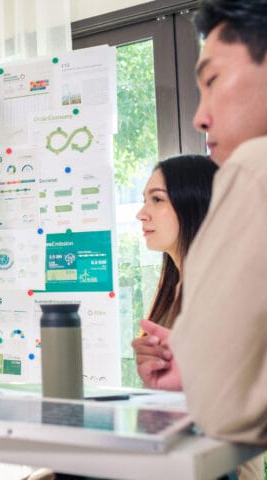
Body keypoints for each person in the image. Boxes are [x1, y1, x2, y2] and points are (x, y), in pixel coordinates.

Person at [136, 0, 267, 456]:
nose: (200, 116)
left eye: (212, 82)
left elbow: (226, 410)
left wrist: (201, 372)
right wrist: (191, 364)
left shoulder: (254, 167)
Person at [131, 154, 217, 361]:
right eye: (145, 200)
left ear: (196, 204)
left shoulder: (224, 295)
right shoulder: (175, 291)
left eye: (157, 199)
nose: (141, 214)